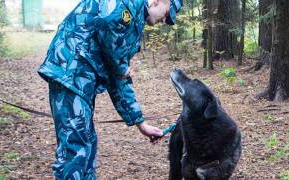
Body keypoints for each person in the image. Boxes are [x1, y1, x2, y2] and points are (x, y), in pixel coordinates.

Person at [37, 0, 182, 178]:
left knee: (87, 145)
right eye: (168, 13)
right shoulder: (128, 5)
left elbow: (119, 77)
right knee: (75, 150)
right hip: (70, 72)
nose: (165, 20)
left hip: (81, 80)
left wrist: (140, 123)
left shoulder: (133, 20)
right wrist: (120, 66)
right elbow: (108, 22)